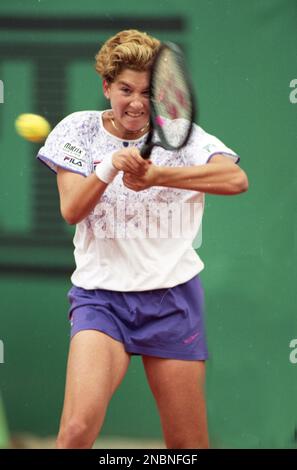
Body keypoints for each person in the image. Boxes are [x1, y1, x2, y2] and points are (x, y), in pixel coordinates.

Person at [37, 29, 248, 449]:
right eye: (125, 89)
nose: (136, 102)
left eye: (148, 91)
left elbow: (236, 178)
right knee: (75, 433)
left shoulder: (184, 134)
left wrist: (158, 175)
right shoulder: (77, 130)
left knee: (187, 447)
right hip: (101, 299)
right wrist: (110, 166)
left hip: (172, 301)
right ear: (106, 86)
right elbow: (71, 209)